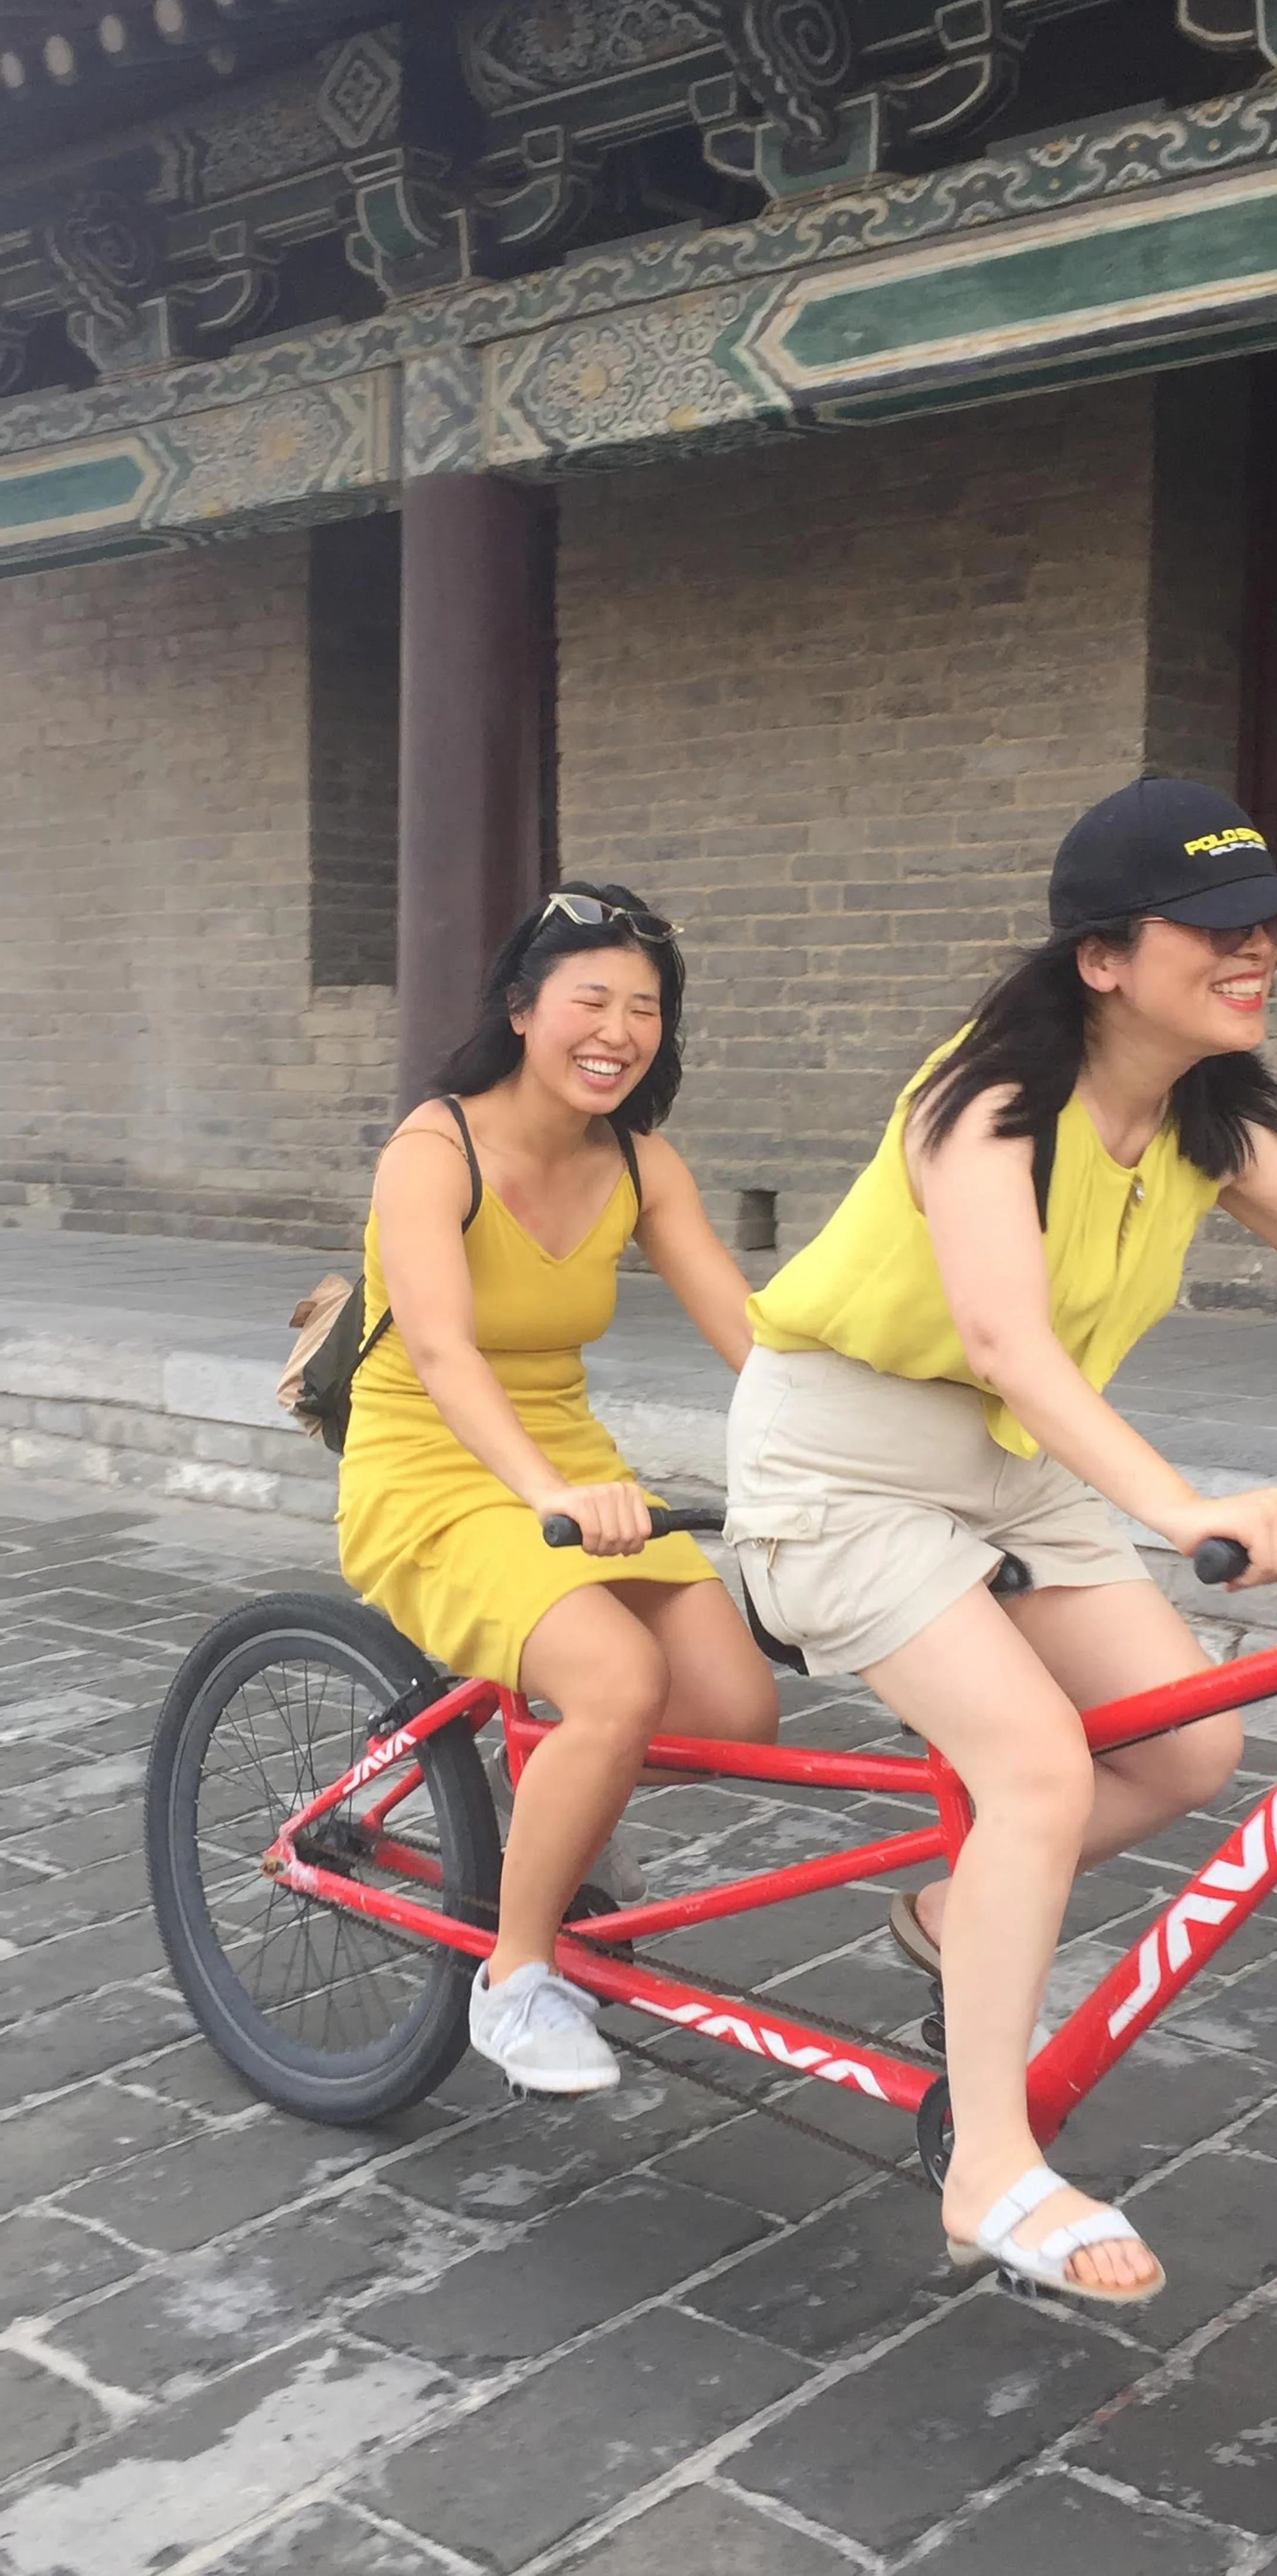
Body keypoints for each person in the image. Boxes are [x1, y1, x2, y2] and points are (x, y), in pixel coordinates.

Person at [727, 774, 1277, 2306]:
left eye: (1269, 922)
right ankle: (987, 2164)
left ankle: (952, 1916)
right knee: (1038, 1768)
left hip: (1008, 1465)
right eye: (1217, 925)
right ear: (1103, 957)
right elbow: (1007, 1339)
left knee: (1187, 1747)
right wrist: (1180, 1507)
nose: (1256, 947)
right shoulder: (984, 1100)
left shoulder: (1213, 1113)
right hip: (843, 1459)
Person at [339, 884, 777, 2097]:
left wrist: (878, 1438)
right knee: (619, 1681)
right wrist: (549, 1493)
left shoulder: (640, 1161)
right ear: (523, 1009)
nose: (618, 1031)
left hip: (571, 1466)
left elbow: (754, 1336)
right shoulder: (434, 1149)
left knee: (734, 1714)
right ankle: (517, 1976)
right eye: (592, 999)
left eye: (645, 1007)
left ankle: (542, 1783)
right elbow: (441, 1352)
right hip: (433, 1468)